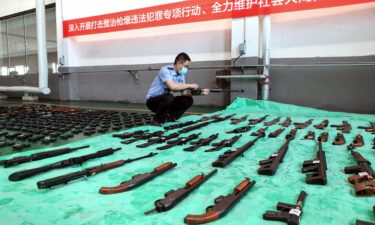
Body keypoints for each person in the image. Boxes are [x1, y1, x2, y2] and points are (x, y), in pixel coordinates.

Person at [146, 52, 209, 125]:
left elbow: (184, 92)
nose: (187, 69)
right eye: (186, 66)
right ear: (179, 63)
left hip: (167, 101)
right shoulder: (165, 70)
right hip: (153, 102)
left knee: (188, 100)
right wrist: (190, 85)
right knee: (168, 97)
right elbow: (172, 87)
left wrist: (200, 92)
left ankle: (170, 118)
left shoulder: (181, 74)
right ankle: (157, 121)